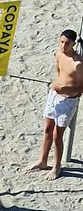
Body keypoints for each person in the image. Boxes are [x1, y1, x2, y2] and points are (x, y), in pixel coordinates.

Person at [28, 29, 83, 180]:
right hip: (54, 96)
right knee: (47, 129)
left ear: (74, 44)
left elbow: (81, 88)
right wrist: (57, 86)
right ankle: (42, 161)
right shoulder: (58, 54)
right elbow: (59, 73)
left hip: (68, 100)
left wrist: (64, 89)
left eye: (67, 43)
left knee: (57, 135)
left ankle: (56, 167)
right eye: (61, 42)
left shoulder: (78, 63)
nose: (63, 46)